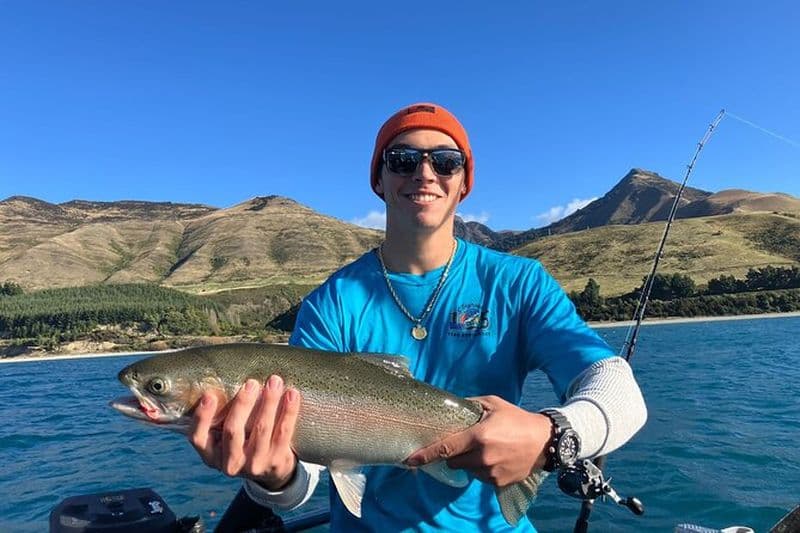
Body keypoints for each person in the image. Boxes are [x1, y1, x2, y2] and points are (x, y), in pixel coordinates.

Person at [188, 103, 648, 532]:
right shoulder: (332, 304)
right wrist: (273, 478)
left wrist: (553, 435)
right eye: (403, 159)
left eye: (446, 161)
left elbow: (620, 392)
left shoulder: (518, 283)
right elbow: (300, 481)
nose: (424, 172)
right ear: (379, 180)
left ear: (464, 182)